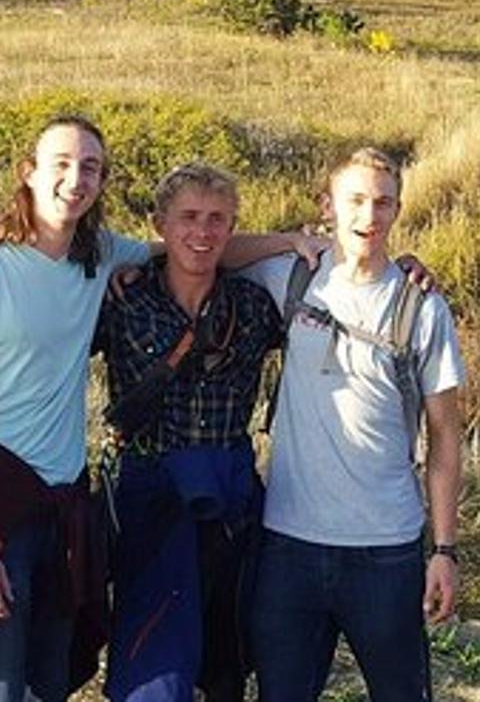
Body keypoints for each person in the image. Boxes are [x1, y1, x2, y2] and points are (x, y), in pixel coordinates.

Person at [0, 116, 312, 702]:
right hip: (11, 502)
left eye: (91, 167)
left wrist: (302, 242)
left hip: (76, 503)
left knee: (61, 674)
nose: (75, 179)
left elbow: (196, 248)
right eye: (62, 164)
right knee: (5, 680)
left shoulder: (103, 261)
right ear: (29, 172)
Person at [243, 148, 466, 702]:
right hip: (289, 543)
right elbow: (205, 248)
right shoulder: (292, 278)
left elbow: (445, 437)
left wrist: (444, 550)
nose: (370, 216)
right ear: (328, 205)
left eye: (384, 202)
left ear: (398, 210)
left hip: (385, 551)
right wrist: (286, 240)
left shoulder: (423, 307)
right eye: (356, 200)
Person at [94, 162, 284, 702]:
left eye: (217, 220)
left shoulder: (252, 305)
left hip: (229, 494)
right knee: (152, 655)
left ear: (233, 227)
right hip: (148, 494)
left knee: (226, 653)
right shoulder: (121, 302)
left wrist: (408, 268)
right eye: (188, 218)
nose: (202, 232)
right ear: (159, 223)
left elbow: (350, 279)